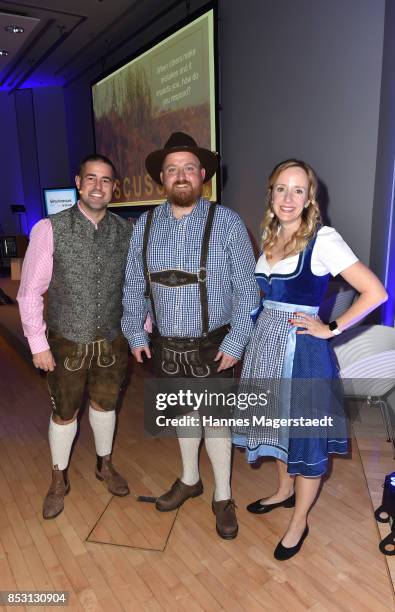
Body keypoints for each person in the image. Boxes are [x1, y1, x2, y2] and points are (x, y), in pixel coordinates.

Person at [233, 159, 388, 560]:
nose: (289, 198)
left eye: (298, 190)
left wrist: (331, 328)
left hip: (302, 352)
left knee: (302, 435)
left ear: (309, 198)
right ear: (271, 194)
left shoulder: (324, 239)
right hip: (266, 346)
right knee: (281, 429)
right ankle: (284, 491)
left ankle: (299, 520)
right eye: (281, 188)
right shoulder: (270, 235)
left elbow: (375, 292)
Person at [122, 132, 259, 539]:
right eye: (171, 170)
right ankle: (188, 479)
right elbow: (133, 286)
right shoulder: (144, 225)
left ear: (203, 175)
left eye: (188, 168)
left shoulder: (228, 222)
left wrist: (236, 343)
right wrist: (134, 331)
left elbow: (248, 293)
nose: (180, 176)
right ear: (161, 179)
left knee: (215, 422)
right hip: (166, 345)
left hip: (215, 345)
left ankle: (222, 495)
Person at [17, 154, 132, 519]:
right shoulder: (50, 229)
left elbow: (132, 287)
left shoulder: (125, 231)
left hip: (112, 342)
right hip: (66, 342)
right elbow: (29, 292)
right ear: (79, 183)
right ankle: (58, 478)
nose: (99, 186)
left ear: (114, 188)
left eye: (106, 180)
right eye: (92, 179)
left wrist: (140, 329)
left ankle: (104, 464)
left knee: (105, 406)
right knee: (65, 413)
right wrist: (38, 345)